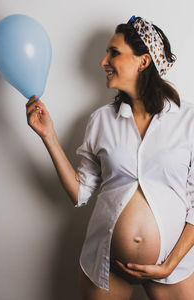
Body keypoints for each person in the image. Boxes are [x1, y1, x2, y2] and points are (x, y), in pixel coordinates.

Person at [26, 15, 194, 300]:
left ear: (143, 61)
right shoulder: (101, 121)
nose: (103, 62)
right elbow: (80, 193)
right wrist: (48, 136)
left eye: (113, 53)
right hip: (105, 264)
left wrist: (170, 264)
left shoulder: (187, 120)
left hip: (171, 267)